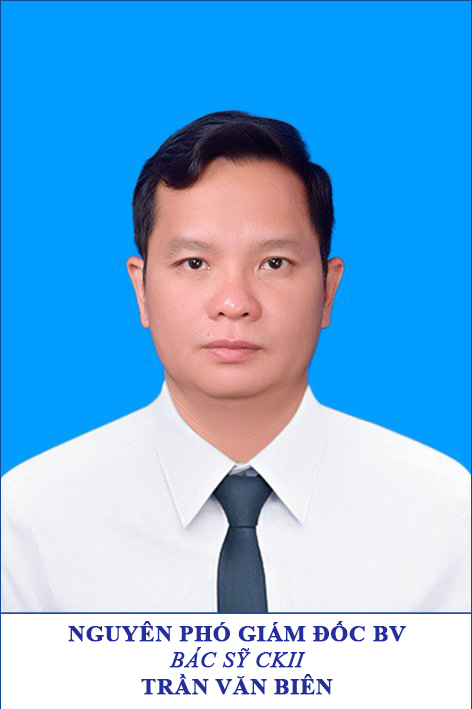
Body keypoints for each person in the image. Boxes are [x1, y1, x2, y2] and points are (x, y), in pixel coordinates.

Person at [1, 111, 470, 613]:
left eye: (274, 263)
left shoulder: (443, 513)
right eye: (195, 263)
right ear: (141, 289)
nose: (234, 303)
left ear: (328, 290)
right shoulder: (31, 520)